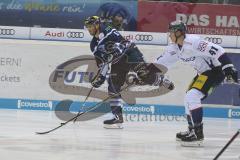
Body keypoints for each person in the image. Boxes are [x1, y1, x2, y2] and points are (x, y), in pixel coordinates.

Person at [155, 20, 238, 146]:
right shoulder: (174, 48)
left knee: (192, 96)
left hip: (214, 71)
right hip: (203, 74)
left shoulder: (194, 42)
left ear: (179, 32)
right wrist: (147, 71)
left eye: (171, 32)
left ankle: (198, 134)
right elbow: (161, 63)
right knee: (188, 97)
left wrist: (228, 67)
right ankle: (192, 130)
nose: (169, 35)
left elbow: (218, 50)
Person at [84, 16, 174, 129]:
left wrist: (114, 50)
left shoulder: (107, 29)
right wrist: (100, 77)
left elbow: (120, 42)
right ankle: (118, 118)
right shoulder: (93, 45)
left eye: (91, 26)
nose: (89, 29)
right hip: (118, 62)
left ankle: (161, 80)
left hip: (129, 53)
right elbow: (103, 63)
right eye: (87, 27)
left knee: (144, 75)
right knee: (112, 87)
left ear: (97, 24)